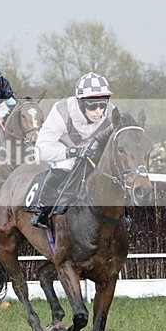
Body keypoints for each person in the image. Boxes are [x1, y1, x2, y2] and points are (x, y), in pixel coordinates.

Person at [28, 72, 116, 229]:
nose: (98, 111)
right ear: (80, 103)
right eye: (92, 106)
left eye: (102, 105)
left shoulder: (111, 113)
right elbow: (41, 150)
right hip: (61, 147)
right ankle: (42, 209)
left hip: (90, 147)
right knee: (68, 164)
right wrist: (73, 152)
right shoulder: (62, 111)